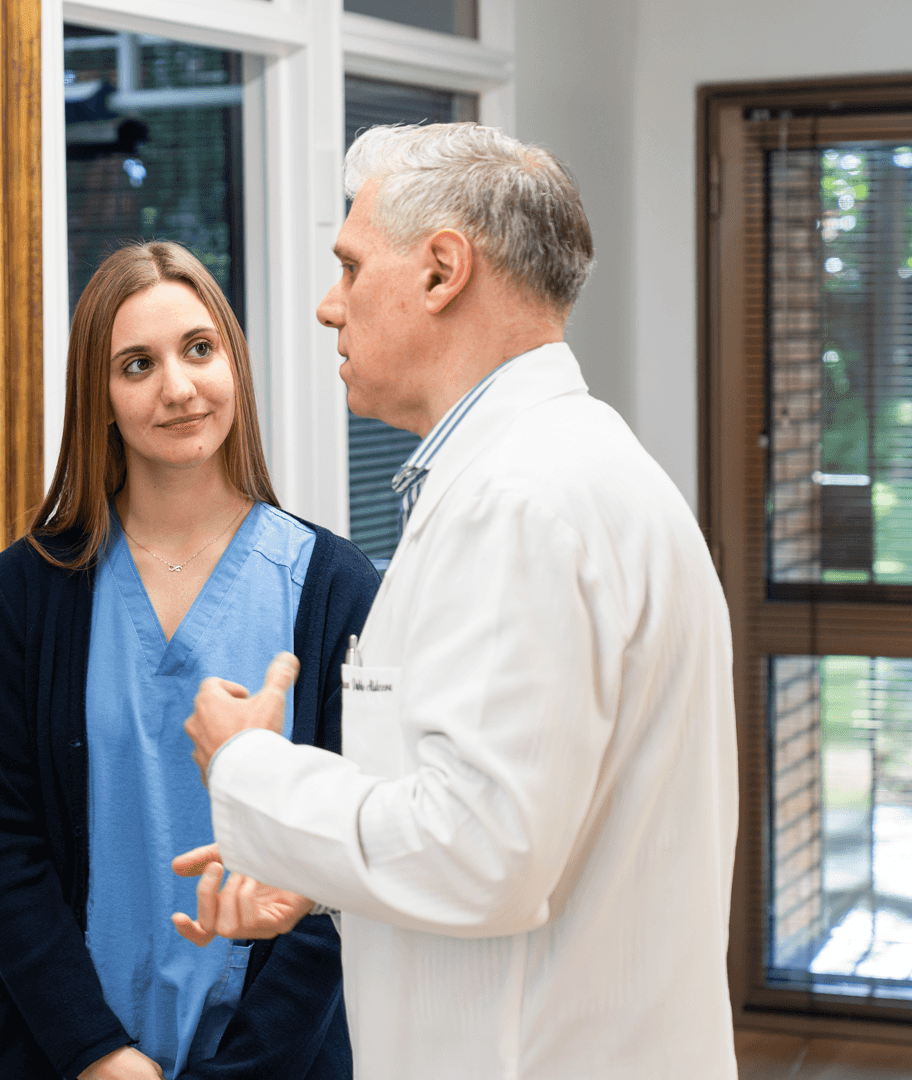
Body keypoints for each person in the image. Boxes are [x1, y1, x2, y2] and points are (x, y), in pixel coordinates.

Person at [174, 122, 740, 1079]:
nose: (327, 305)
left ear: (442, 272)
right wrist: (313, 879)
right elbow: (516, 828)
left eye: (350, 267)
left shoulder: (520, 502)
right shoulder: (576, 469)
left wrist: (250, 769)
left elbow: (482, 855)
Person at [0, 241, 378, 1080]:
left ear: (234, 365)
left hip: (272, 1057)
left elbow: (345, 866)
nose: (177, 389)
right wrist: (98, 1052)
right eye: (136, 365)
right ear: (100, 398)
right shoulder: (29, 591)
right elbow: (4, 844)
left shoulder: (333, 589)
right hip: (56, 1050)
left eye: (199, 350)